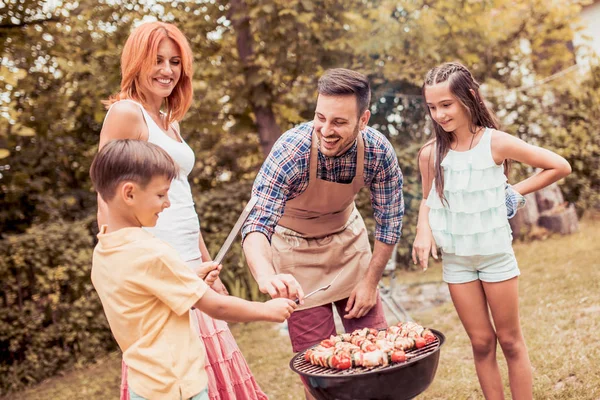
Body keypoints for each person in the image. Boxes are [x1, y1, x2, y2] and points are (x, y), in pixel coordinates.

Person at [97, 21, 269, 400]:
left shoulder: (169, 121)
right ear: (136, 61)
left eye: (175, 61)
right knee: (176, 373)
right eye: (157, 60)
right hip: (158, 264)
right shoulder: (127, 113)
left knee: (208, 373)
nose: (167, 70)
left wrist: (207, 261)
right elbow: (106, 196)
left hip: (191, 260)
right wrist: (120, 267)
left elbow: (182, 199)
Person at [90, 139, 296, 400]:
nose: (167, 204)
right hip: (178, 386)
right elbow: (216, 307)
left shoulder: (105, 250)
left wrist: (187, 279)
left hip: (143, 386)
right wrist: (267, 310)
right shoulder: (153, 251)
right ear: (129, 193)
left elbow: (145, 298)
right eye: (161, 194)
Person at [412, 62, 571, 399]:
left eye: (446, 104)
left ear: (469, 97)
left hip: (496, 255)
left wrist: (513, 192)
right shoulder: (430, 154)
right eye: (432, 107)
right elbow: (428, 198)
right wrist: (421, 231)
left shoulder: (494, 143)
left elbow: (559, 165)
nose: (439, 114)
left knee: (510, 340)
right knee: (481, 343)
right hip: (458, 262)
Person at [241, 68, 403, 396]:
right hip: (294, 256)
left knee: (378, 357)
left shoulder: (377, 152)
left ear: (363, 119)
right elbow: (257, 223)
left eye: (339, 122)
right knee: (319, 369)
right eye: (320, 117)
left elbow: (390, 221)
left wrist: (370, 281)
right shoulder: (292, 150)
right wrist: (266, 275)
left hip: (347, 245)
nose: (326, 131)